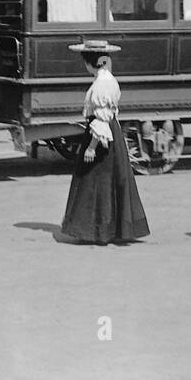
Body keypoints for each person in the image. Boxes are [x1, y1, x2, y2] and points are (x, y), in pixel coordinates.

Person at [59, 40, 150, 245]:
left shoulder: (101, 84)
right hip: (110, 133)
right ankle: (108, 229)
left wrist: (91, 146)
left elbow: (102, 119)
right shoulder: (108, 79)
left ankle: (97, 231)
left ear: (90, 63)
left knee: (96, 180)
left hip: (102, 135)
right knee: (108, 180)